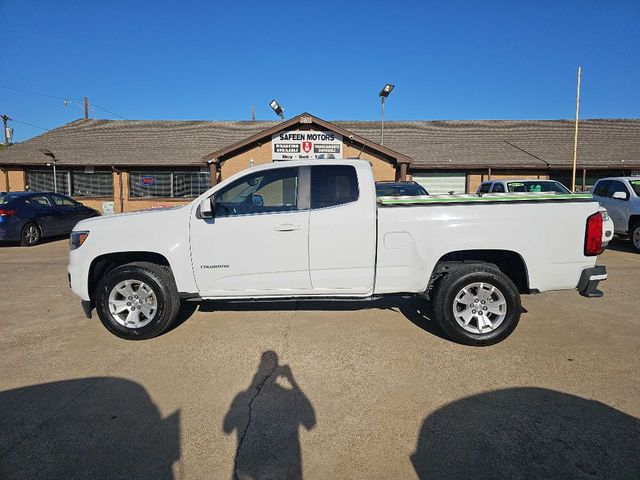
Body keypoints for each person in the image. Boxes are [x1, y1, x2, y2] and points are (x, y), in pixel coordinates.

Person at [224, 351, 315, 480]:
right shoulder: (288, 395)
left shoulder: (242, 397)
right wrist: (292, 380)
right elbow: (310, 421)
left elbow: (227, 428)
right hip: (279, 470)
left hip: (251, 468)